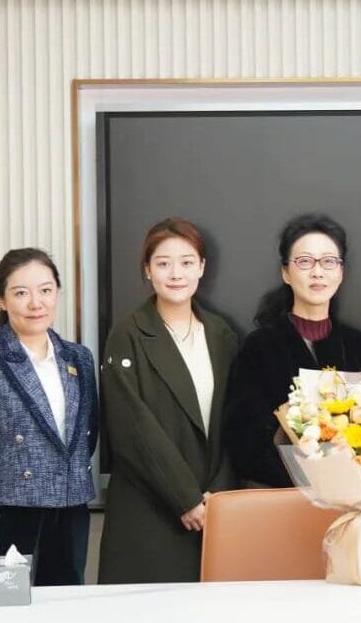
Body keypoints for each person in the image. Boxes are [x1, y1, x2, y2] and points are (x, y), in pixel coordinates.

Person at [0, 248, 98, 592]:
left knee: (65, 614)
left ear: (57, 293)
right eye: (21, 293)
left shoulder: (79, 358)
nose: (36, 303)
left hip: (70, 512)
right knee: (6, 615)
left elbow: (86, 437)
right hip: (10, 520)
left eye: (45, 290)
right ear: (1, 300)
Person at [98, 218, 237, 583]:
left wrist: (215, 497)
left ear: (202, 268)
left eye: (187, 262)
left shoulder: (221, 335)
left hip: (212, 508)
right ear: (147, 270)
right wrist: (185, 498)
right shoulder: (127, 334)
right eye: (163, 263)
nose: (176, 273)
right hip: (151, 508)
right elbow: (132, 427)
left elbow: (233, 420)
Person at [224, 213, 361, 487]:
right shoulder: (260, 348)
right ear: (286, 272)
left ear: (341, 272)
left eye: (329, 261)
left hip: (353, 498)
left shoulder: (360, 347)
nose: (317, 272)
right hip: (281, 500)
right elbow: (244, 441)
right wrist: (310, 478)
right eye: (304, 261)